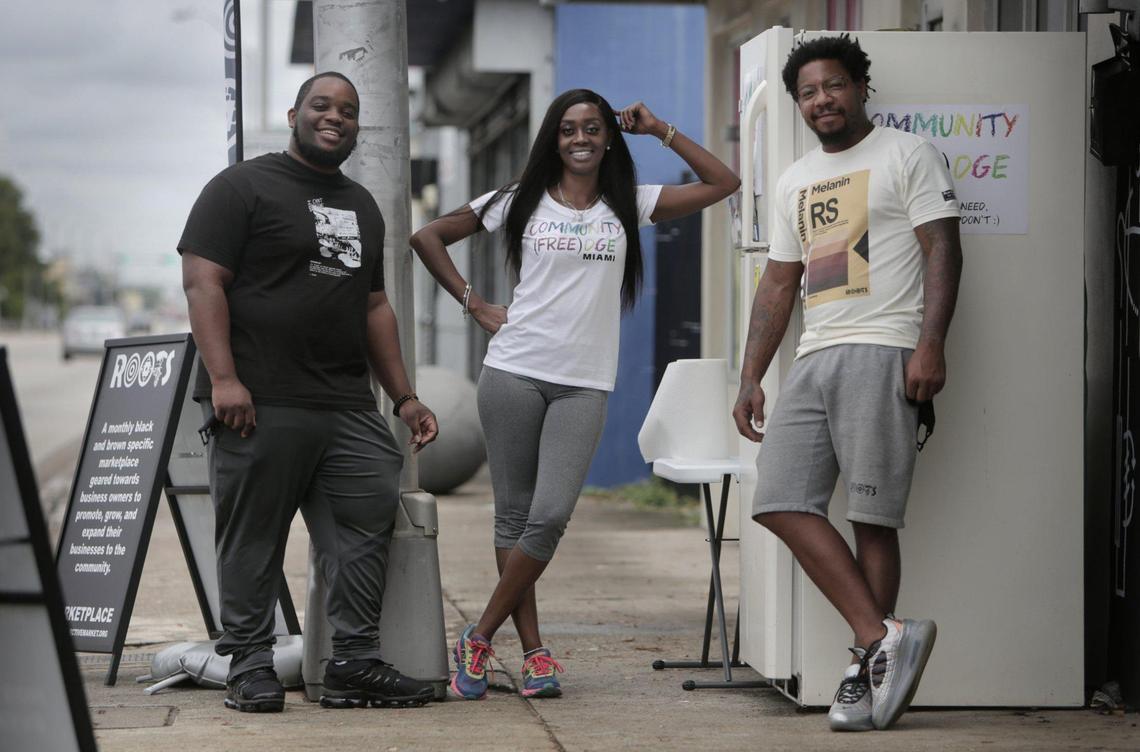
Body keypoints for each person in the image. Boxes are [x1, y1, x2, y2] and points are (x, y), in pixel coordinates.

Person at [411, 88, 739, 700]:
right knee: (513, 515)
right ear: (553, 141)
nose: (581, 138)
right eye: (568, 130)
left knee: (551, 514)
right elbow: (427, 236)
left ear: (608, 137)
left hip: (584, 383)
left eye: (592, 127)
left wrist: (661, 128)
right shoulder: (519, 200)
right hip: (513, 371)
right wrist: (473, 303)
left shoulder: (630, 204)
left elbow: (724, 182)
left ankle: (478, 636)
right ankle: (535, 655)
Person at [179, 71, 439, 713]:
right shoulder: (240, 187)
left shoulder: (361, 204)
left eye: (348, 110)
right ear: (294, 113)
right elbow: (202, 282)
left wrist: (403, 397)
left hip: (346, 405)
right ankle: (248, 664)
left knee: (361, 536)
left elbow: (374, 306)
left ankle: (352, 662)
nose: (335, 117)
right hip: (258, 402)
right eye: (322, 106)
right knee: (252, 538)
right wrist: (224, 380)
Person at [732, 35, 963, 731]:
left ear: (861, 87)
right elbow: (778, 283)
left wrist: (930, 344)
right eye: (807, 92)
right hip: (814, 356)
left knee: (871, 515)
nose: (820, 100)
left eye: (832, 85)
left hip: (885, 349)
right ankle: (879, 638)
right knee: (778, 499)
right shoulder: (798, 178)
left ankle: (866, 670)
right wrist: (750, 375)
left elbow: (944, 247)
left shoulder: (906, 154)